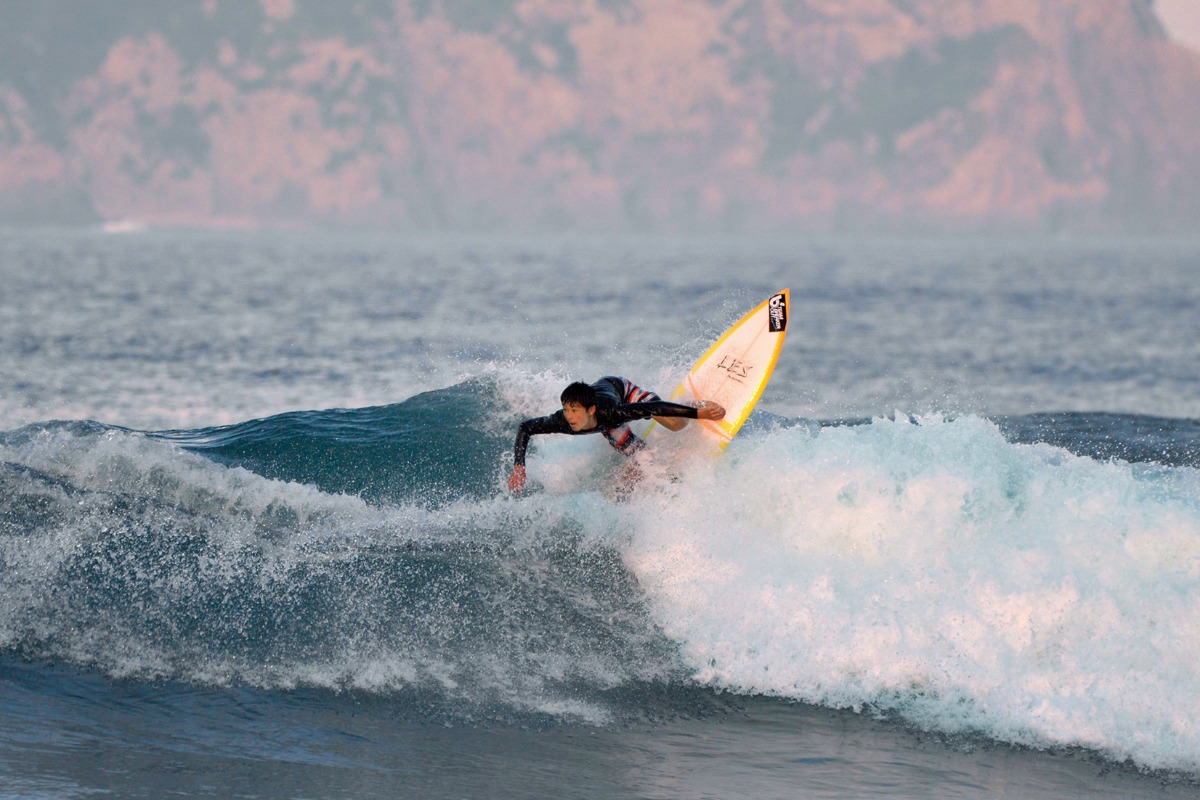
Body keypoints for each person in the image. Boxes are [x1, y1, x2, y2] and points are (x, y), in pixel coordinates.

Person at [507, 376, 726, 494]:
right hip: (605, 425)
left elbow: (656, 408)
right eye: (566, 409)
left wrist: (698, 413)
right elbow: (526, 428)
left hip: (623, 390)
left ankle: (691, 404)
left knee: (675, 425)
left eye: (574, 411)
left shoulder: (614, 413)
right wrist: (519, 467)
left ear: (590, 410)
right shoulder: (562, 421)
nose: (569, 416)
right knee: (643, 459)